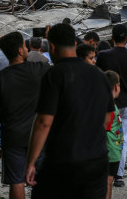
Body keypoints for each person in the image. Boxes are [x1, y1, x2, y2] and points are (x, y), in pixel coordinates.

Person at [25, 23, 115, 198]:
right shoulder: (99, 76)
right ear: (75, 44)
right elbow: (107, 121)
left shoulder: (54, 75)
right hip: (97, 161)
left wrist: (31, 162)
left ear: (51, 46)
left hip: (63, 161)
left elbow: (43, 123)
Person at [0, 32, 50, 199]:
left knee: (16, 181)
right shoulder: (41, 70)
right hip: (40, 135)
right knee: (43, 180)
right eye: (24, 45)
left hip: (12, 137)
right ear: (20, 51)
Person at [95, 24, 127, 187]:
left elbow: (98, 79)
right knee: (124, 138)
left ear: (112, 38)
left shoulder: (103, 56)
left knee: (104, 133)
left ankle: (105, 170)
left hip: (107, 101)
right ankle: (118, 174)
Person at [104, 71, 123, 199]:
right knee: (108, 182)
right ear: (116, 87)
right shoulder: (109, 106)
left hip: (112, 150)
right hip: (110, 151)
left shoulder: (106, 103)